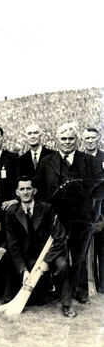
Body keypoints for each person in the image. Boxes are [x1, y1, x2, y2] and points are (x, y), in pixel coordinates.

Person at [34, 122, 104, 304]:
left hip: (83, 217)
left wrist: (92, 211)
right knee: (60, 256)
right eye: (63, 139)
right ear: (57, 140)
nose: (67, 142)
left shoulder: (89, 161)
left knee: (79, 255)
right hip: (57, 217)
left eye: (71, 138)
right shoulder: (46, 162)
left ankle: (80, 293)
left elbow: (101, 187)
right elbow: (39, 188)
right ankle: (59, 291)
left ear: (77, 140)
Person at [5, 176, 76, 317]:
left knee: (63, 265)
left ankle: (67, 305)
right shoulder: (11, 212)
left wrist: (46, 261)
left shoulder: (47, 209)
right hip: (27, 257)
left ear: (34, 191)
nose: (25, 192)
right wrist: (23, 270)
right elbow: (12, 244)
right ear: (17, 192)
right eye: (22, 189)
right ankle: (10, 297)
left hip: (49, 254)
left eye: (29, 189)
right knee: (35, 300)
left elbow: (60, 238)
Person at [82, 126, 104, 294]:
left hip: (103, 208)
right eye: (87, 138)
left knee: (102, 248)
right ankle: (86, 284)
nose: (90, 141)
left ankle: (102, 284)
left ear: (98, 138)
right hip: (83, 209)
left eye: (92, 138)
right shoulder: (78, 158)